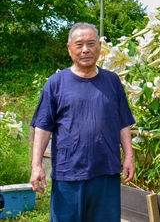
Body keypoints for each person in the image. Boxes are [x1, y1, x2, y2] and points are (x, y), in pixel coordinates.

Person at [30, 22, 136, 222]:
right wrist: (36, 166)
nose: (85, 49)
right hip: (67, 173)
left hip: (106, 171)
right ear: (69, 49)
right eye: (79, 45)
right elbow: (43, 127)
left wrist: (129, 156)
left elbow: (123, 122)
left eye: (91, 43)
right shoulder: (56, 83)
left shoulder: (112, 81)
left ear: (100, 48)